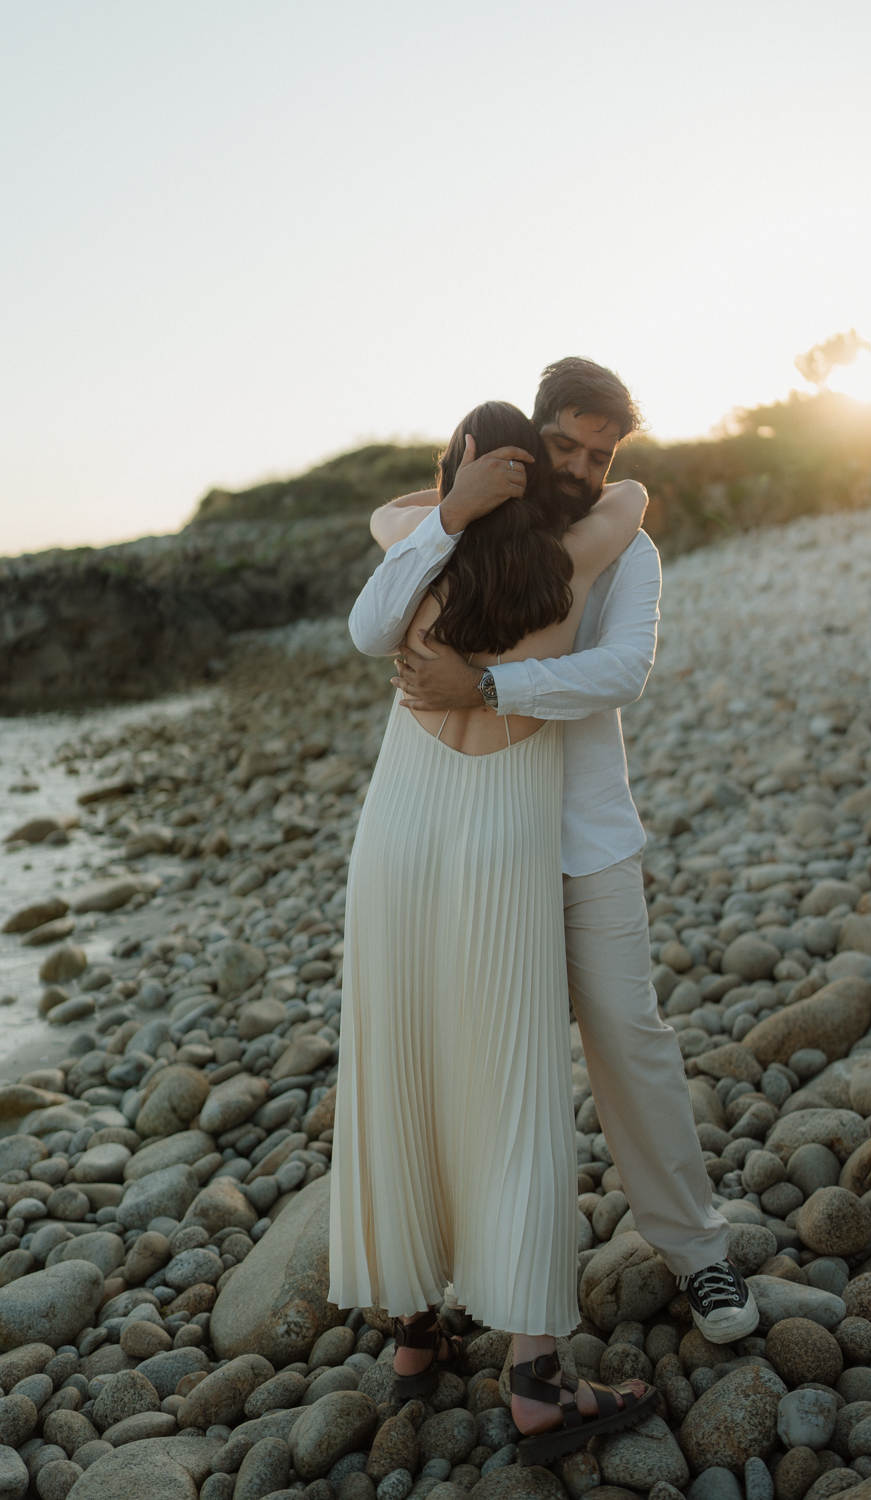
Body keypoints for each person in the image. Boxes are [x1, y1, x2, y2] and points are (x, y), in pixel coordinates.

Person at [349, 358, 758, 1346]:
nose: (579, 467)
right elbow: (384, 574)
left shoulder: (627, 550)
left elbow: (622, 671)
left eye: (598, 454)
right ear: (532, 438)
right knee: (471, 1055)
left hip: (585, 841)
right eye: (564, 445)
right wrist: (451, 512)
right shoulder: (473, 533)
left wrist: (487, 689)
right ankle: (465, 1273)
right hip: (476, 843)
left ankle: (698, 1253)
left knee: (630, 1037)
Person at [329, 399, 658, 1462]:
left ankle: (415, 1332)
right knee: (509, 1082)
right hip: (499, 835)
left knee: (400, 1065)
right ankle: (535, 1378)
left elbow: (373, 589)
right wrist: (521, 497)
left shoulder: (422, 549)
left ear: (463, 468)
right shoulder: (573, 554)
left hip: (399, 830)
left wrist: (454, 505)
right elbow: (630, 495)